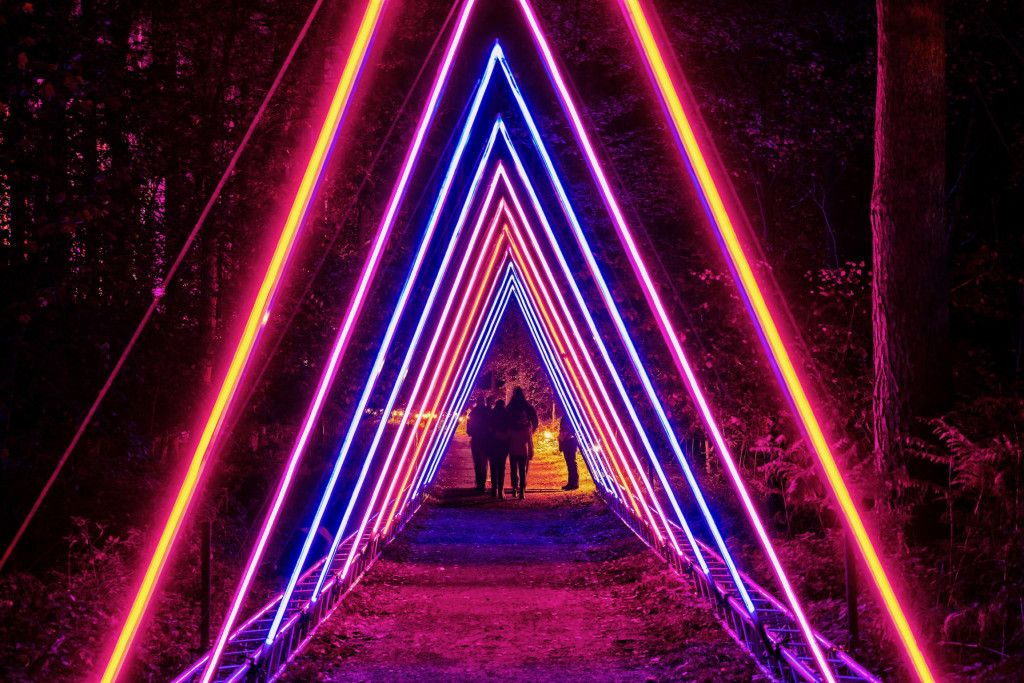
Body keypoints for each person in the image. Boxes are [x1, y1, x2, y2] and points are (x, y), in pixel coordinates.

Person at [505, 387, 538, 499]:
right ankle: (522, 488)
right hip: (524, 438)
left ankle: (515, 487)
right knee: (523, 466)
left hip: (513, 442)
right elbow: (535, 420)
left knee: (514, 467)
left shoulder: (510, 407)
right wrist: (531, 431)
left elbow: (506, 422)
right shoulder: (527, 406)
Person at [466, 397, 490, 492]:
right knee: (484, 462)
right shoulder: (488, 412)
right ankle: (483, 483)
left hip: (476, 439)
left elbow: (469, 430)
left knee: (477, 462)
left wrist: (472, 432)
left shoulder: (473, 413)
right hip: (486, 439)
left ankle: (479, 483)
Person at [488, 399, 510, 499]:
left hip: (492, 443)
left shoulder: (492, 414)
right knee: (501, 467)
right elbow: (509, 427)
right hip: (503, 444)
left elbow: (488, 428)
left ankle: (494, 490)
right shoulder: (506, 414)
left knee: (493, 467)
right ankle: (501, 490)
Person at [558, 414, 579, 491]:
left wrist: (566, 433)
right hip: (566, 440)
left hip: (570, 440)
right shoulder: (565, 416)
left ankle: (574, 483)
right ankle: (571, 483)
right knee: (569, 463)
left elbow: (574, 429)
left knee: (572, 462)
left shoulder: (573, 415)